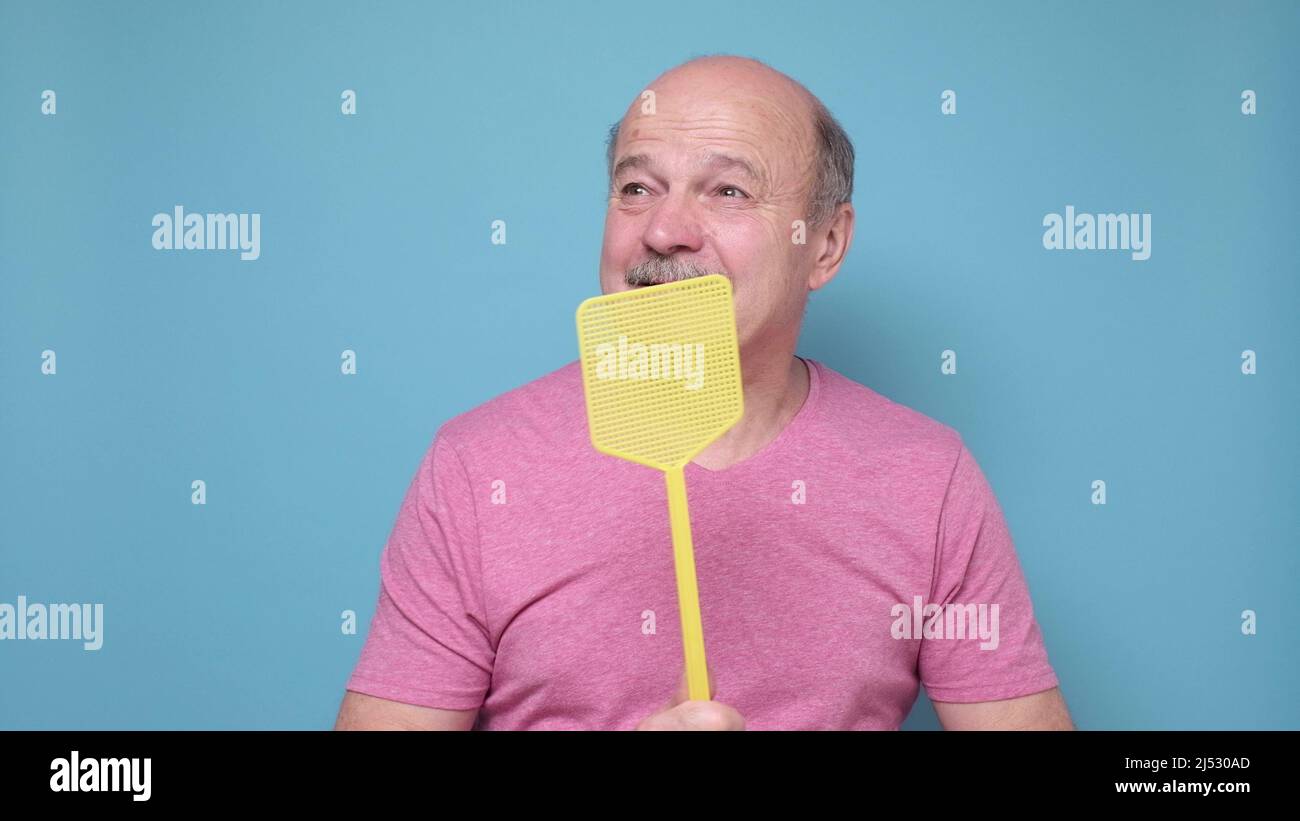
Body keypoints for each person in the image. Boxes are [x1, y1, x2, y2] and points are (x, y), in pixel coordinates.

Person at [334, 54, 1073, 730]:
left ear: (825, 245)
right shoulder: (476, 467)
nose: (664, 228)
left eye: (727, 190)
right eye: (635, 187)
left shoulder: (926, 477)